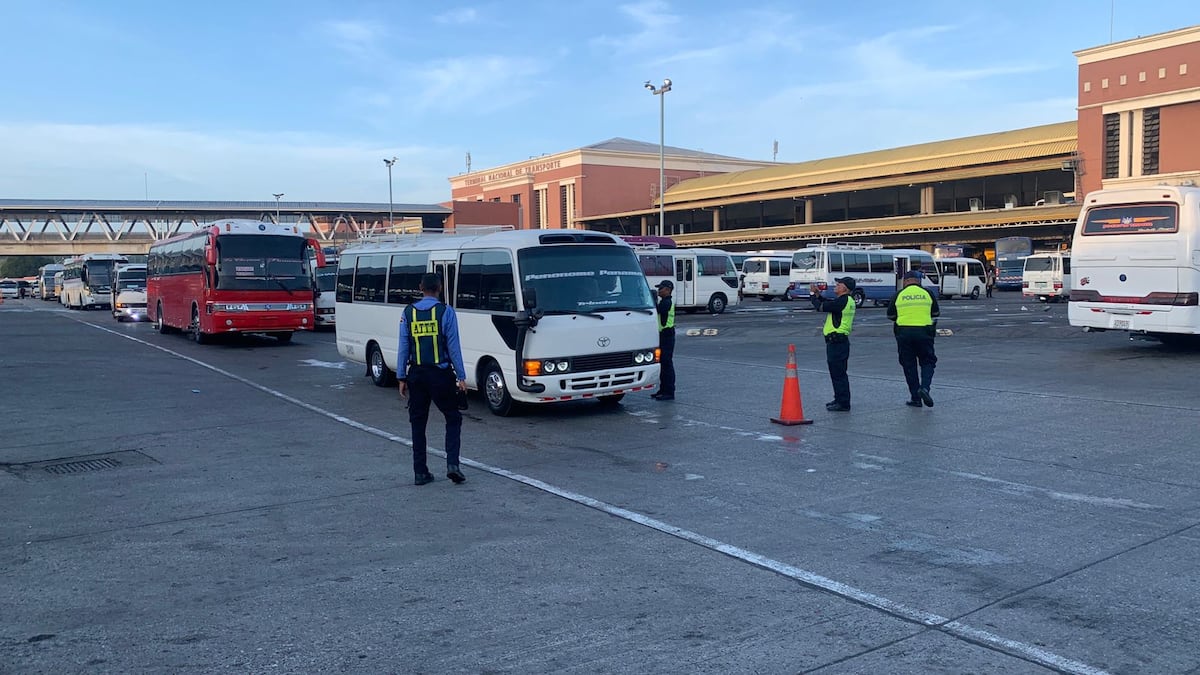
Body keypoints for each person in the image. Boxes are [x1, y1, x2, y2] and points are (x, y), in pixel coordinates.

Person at [397, 273, 468, 486]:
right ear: (440, 287)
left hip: (417, 375)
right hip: (441, 375)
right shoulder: (446, 312)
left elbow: (403, 346)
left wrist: (401, 376)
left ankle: (420, 472)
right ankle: (452, 465)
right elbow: (453, 347)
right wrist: (462, 376)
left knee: (418, 423)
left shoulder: (408, 313)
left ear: (420, 287)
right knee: (453, 417)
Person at [887, 270, 940, 408]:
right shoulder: (928, 293)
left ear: (905, 281)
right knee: (928, 362)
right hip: (924, 332)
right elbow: (936, 313)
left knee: (909, 365)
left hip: (904, 333)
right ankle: (925, 388)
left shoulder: (898, 294)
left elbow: (891, 315)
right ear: (918, 281)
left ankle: (915, 398)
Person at [809, 277, 856, 412]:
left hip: (837, 341)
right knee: (838, 373)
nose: (835, 286)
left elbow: (821, 307)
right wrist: (819, 295)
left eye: (838, 284)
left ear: (845, 288)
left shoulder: (843, 300)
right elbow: (830, 304)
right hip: (838, 341)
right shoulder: (846, 300)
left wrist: (813, 295)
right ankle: (839, 399)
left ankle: (843, 403)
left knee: (838, 373)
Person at [651, 279, 676, 401]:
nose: (658, 290)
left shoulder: (667, 302)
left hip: (667, 336)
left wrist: (653, 299)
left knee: (667, 364)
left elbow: (658, 310)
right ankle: (663, 390)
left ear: (667, 290)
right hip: (663, 336)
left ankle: (669, 392)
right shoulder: (665, 301)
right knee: (662, 364)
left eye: (660, 288)